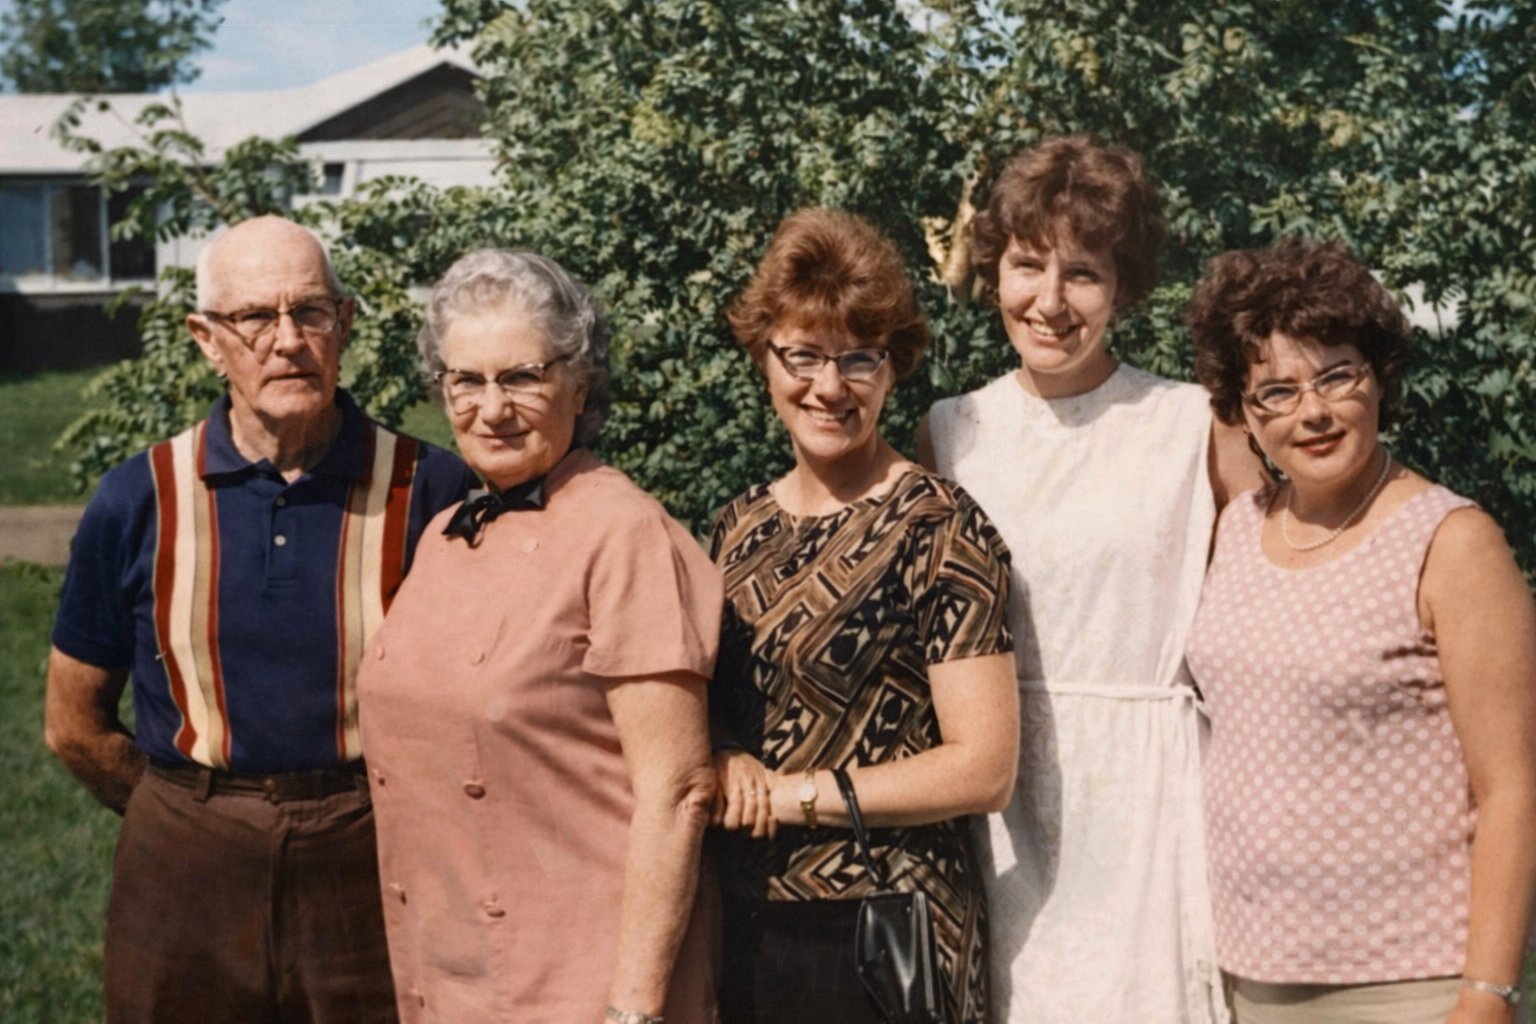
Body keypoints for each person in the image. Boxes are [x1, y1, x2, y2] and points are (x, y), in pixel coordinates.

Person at [44, 214, 476, 1024]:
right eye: (254, 318)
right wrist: (190, 814)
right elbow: (73, 725)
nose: (287, 341)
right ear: (207, 339)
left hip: (372, 851)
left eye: (310, 312)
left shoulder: (432, 489)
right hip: (186, 861)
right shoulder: (138, 499)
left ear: (344, 324)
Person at [917, 133, 1266, 1023]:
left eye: (1083, 272)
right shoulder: (950, 432)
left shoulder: (1192, 423)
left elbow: (1266, 613)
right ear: (993, 271)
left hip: (1146, 800)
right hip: (995, 802)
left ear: (1123, 284)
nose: (1049, 301)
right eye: (1027, 265)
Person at [354, 248, 723, 1024]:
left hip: (583, 980)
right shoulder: (450, 530)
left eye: (520, 377)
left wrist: (634, 1009)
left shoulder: (624, 533)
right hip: (449, 971)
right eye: (467, 381)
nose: (491, 408)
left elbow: (679, 789)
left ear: (580, 383)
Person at [1184, 237, 1536, 1024]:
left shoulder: (1452, 542)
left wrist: (1487, 996)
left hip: (1412, 981)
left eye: (1337, 375)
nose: (1312, 411)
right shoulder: (1236, 529)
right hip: (1248, 973)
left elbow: (1514, 791)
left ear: (1377, 379)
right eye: (1275, 391)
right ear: (1243, 413)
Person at [709, 208, 1020, 1024]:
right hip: (741, 916)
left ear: (894, 368)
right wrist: (727, 754)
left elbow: (983, 768)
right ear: (764, 358)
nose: (829, 386)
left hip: (890, 930)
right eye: (803, 355)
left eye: (858, 358)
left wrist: (791, 797)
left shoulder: (939, 525)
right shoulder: (734, 529)